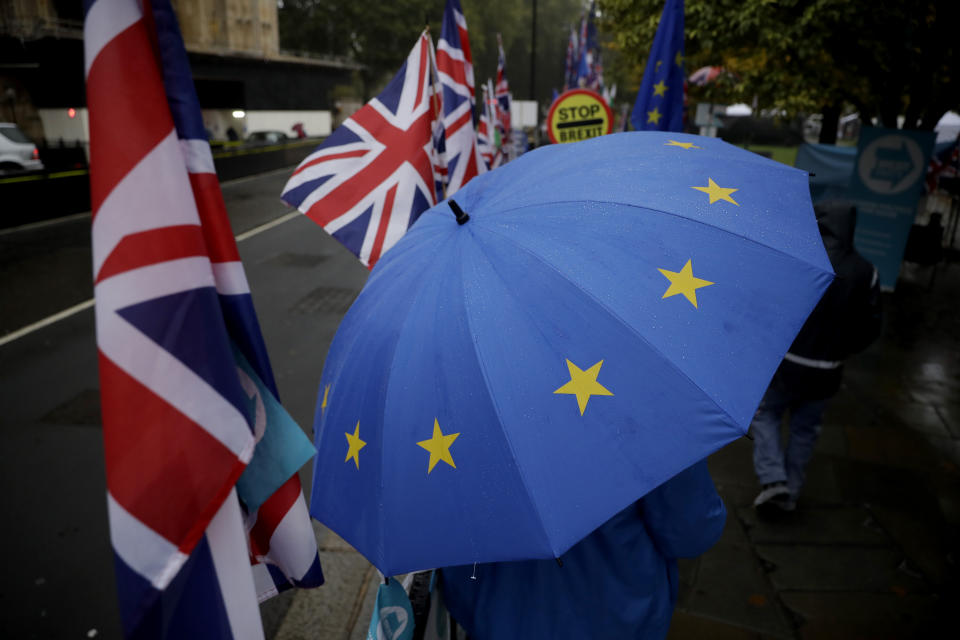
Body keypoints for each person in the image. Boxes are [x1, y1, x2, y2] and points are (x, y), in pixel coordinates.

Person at [440, 459, 726, 639]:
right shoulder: (646, 406)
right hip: (614, 619)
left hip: (497, 616)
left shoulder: (452, 412)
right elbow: (693, 532)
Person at [752, 200, 882, 515]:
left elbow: (769, 307)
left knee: (765, 415)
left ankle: (773, 480)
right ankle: (792, 492)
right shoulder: (866, 272)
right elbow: (871, 326)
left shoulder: (799, 260)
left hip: (787, 363)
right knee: (804, 430)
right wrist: (842, 350)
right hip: (827, 370)